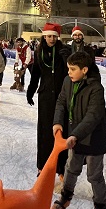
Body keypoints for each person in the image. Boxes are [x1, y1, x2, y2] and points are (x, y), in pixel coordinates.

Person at [51, 50, 106, 209]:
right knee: (71, 168)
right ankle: (65, 197)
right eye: (68, 68)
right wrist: (58, 122)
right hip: (73, 136)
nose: (68, 72)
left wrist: (75, 134)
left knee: (94, 176)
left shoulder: (96, 88)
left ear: (84, 70)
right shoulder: (68, 81)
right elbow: (61, 101)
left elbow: (93, 116)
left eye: (73, 69)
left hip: (93, 138)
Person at [27, 22, 70, 180]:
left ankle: (62, 168)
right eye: (48, 36)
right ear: (44, 36)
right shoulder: (39, 52)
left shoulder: (63, 51)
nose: (51, 39)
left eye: (54, 36)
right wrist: (31, 91)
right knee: (45, 132)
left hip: (61, 97)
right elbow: (36, 74)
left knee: (61, 131)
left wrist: (68, 59)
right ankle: (43, 166)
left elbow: (72, 72)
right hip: (45, 98)